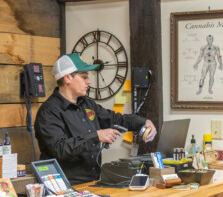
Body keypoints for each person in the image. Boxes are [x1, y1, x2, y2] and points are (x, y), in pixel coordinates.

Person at [34, 53, 157, 185]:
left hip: (93, 183)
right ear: (67, 78)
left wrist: (144, 122)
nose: (89, 81)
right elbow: (60, 149)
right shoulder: (49, 112)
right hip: (64, 188)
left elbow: (116, 119)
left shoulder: (87, 104)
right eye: (84, 77)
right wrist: (96, 136)